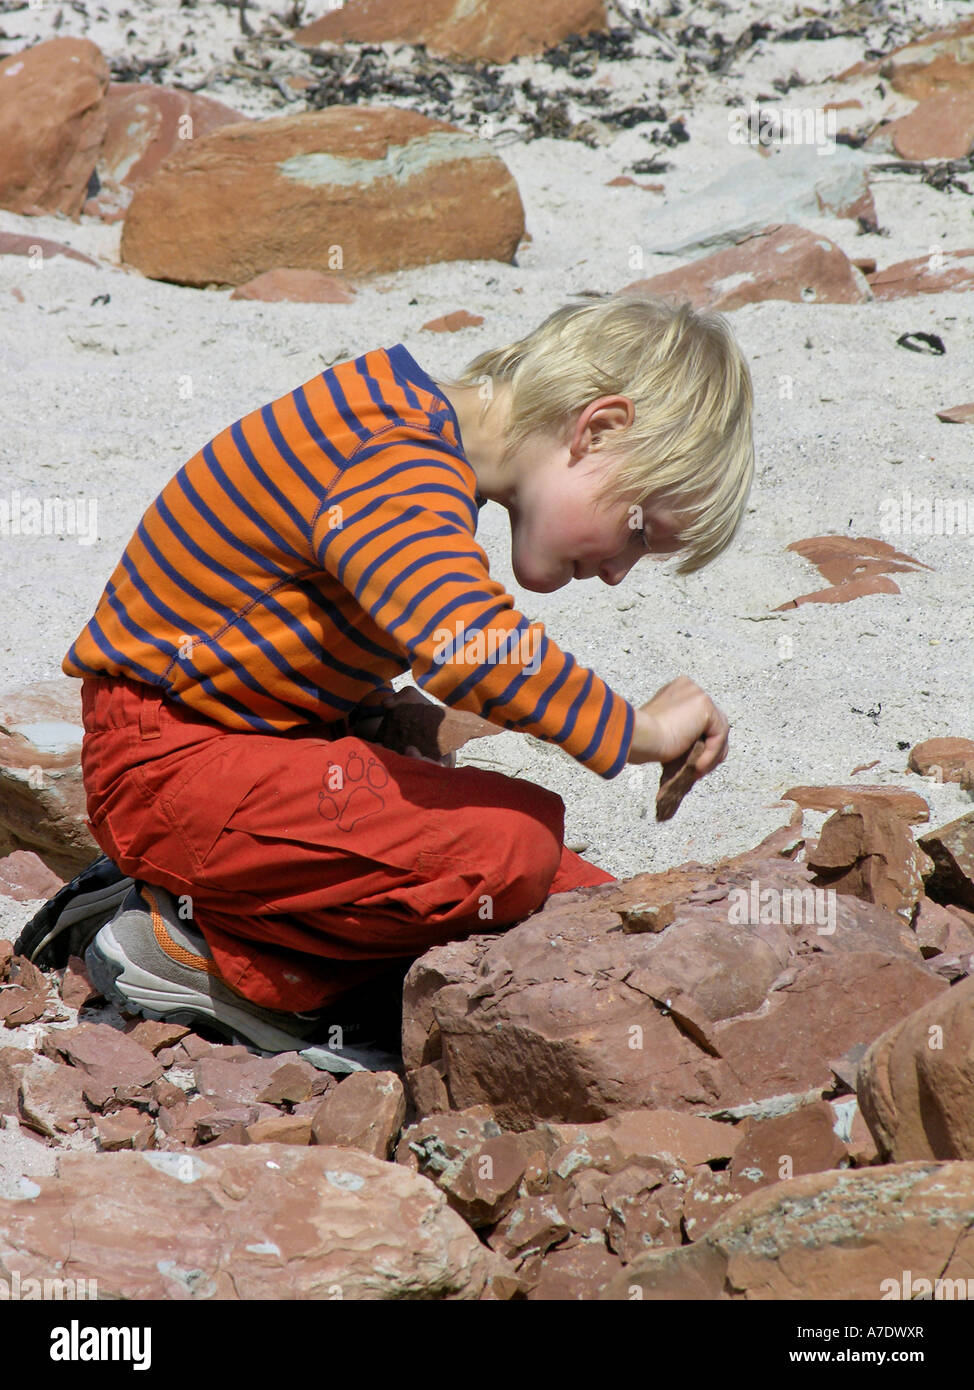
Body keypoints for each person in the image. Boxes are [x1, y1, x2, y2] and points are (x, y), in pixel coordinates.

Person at [18, 293, 753, 1072]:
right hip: (167, 767)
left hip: (239, 749)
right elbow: (466, 645)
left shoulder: (412, 438)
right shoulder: (395, 454)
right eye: (639, 532)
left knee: (580, 897)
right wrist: (638, 730)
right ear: (596, 429)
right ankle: (207, 954)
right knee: (511, 847)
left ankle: (213, 904)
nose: (617, 573)